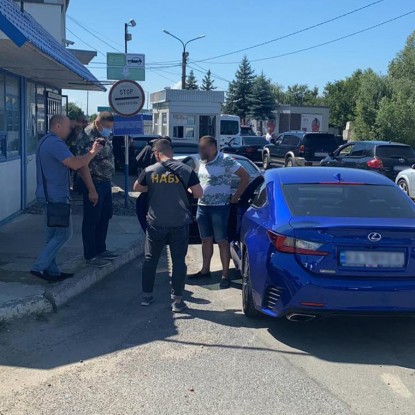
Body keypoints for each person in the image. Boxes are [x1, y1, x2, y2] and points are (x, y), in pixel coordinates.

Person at [133, 139, 203, 312]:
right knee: (179, 261)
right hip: (180, 223)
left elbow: (137, 188)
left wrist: (154, 187)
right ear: (171, 152)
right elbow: (199, 193)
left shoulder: (149, 170)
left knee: (150, 260)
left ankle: (147, 296)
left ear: (157, 153)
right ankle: (177, 301)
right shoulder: (187, 170)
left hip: (156, 223)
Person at [31, 114, 102, 282]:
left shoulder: (44, 141)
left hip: (46, 195)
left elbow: (73, 161)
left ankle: (52, 271)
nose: (70, 130)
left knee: (51, 236)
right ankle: (39, 266)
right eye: (68, 127)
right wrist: (93, 152)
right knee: (64, 234)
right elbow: (75, 164)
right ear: (57, 126)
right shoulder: (55, 143)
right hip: (56, 196)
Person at [190, 136, 250, 289]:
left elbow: (245, 176)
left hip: (220, 207)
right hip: (202, 206)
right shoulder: (199, 161)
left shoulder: (226, 160)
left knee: (222, 241)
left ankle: (225, 275)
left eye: (203, 148)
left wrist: (236, 197)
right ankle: (205, 270)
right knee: (205, 239)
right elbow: (195, 181)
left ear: (212, 148)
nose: (201, 151)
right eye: (200, 147)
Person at [76, 111, 118, 268]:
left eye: (110, 128)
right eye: (107, 127)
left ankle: (101, 249)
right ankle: (91, 255)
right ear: (98, 123)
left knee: (105, 215)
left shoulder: (106, 135)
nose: (109, 130)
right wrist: (91, 189)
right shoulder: (86, 136)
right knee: (91, 219)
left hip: (106, 182)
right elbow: (82, 164)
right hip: (93, 182)